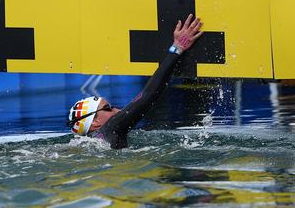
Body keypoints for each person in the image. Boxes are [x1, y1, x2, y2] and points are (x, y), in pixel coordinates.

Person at [67, 14, 203, 149]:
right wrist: (177, 48)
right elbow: (147, 96)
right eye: (108, 108)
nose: (117, 109)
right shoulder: (112, 127)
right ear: (95, 122)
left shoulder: (92, 142)